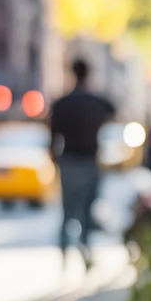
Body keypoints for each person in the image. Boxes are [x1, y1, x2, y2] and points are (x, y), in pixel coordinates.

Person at [49, 59, 115, 269]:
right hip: (89, 160)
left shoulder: (61, 104)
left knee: (67, 210)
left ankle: (64, 254)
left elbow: (52, 139)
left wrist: (55, 160)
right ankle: (84, 250)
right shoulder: (97, 102)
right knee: (86, 210)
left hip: (68, 160)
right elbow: (113, 111)